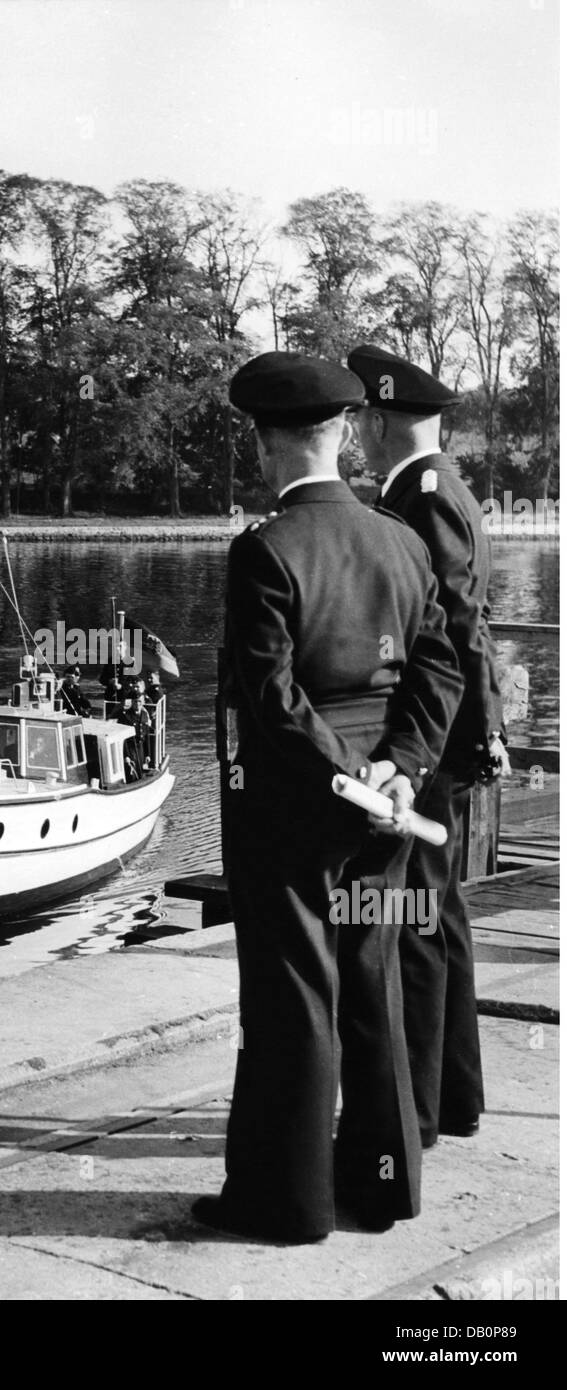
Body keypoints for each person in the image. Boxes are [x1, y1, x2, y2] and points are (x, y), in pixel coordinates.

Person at [192, 351, 464, 1244]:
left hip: (294, 809)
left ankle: (289, 1202)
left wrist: (343, 782)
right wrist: (399, 770)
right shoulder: (401, 538)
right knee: (372, 988)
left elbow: (270, 701)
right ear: (345, 432)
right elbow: (439, 667)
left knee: (291, 1000)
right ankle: (381, 1186)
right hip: (387, 803)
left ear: (266, 444)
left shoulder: (264, 551)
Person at [348, 343, 510, 1149]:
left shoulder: (421, 495)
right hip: (444, 733)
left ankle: (414, 1110)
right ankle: (452, 1098)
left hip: (427, 738)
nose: (356, 435)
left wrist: (449, 740)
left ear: (378, 421)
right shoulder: (434, 488)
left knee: (414, 920)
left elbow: (447, 634)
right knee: (437, 916)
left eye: (361, 421)